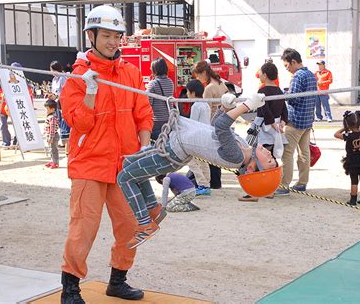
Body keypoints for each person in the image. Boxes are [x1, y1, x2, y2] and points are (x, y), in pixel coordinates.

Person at [59, 5, 153, 302]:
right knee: (84, 228)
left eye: (117, 36)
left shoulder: (130, 73)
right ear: (91, 35)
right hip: (89, 164)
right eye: (107, 35)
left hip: (125, 165)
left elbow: (143, 112)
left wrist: (146, 146)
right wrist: (88, 93)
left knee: (133, 225)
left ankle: (118, 279)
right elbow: (79, 122)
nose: (113, 41)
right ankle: (71, 288)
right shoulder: (77, 77)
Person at [117, 92, 277, 248]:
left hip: (172, 153)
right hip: (174, 148)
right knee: (129, 166)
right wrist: (225, 108)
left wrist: (247, 106)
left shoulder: (236, 156)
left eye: (269, 161)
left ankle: (145, 224)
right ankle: (153, 208)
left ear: (251, 169)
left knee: (124, 178)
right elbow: (216, 128)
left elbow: (222, 126)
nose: (270, 154)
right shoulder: (242, 146)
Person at [239, 62, 288, 202]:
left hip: (265, 128)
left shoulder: (262, 91)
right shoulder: (279, 91)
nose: (259, 75)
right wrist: (282, 122)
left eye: (260, 72)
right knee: (270, 158)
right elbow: (284, 109)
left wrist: (272, 123)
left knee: (257, 157)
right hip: (276, 128)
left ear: (265, 75)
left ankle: (256, 190)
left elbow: (263, 110)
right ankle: (270, 188)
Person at [275, 48, 317, 196]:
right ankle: (302, 182)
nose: (287, 69)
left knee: (287, 153)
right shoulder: (311, 74)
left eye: (287, 65)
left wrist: (283, 94)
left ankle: (284, 185)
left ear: (293, 62)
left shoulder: (298, 76)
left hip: (295, 121)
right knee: (304, 153)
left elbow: (295, 98)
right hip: (307, 120)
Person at [193, 60, 228, 189]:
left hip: (211, 123)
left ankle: (211, 182)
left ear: (203, 73)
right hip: (222, 121)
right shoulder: (220, 83)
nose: (197, 78)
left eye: (198, 74)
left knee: (208, 155)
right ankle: (216, 182)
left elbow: (206, 108)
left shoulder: (208, 88)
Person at [334, 111, 360, 205]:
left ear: (348, 124)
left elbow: (336, 134)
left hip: (353, 160)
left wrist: (345, 128)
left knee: (354, 181)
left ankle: (353, 200)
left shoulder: (349, 135)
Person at [186, 79, 212, 196]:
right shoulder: (205, 104)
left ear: (192, 93)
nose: (186, 94)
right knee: (203, 162)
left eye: (187, 92)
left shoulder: (196, 106)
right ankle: (207, 184)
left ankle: (202, 184)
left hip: (197, 138)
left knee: (192, 162)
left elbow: (193, 123)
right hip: (206, 137)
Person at [147, 58, 174, 140]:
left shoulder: (153, 83)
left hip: (157, 120)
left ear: (155, 69)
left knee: (157, 142)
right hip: (169, 118)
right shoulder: (170, 82)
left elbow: (148, 103)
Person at [49, 61, 70, 155]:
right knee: (58, 121)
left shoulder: (63, 78)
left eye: (52, 69)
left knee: (64, 122)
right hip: (57, 103)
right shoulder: (54, 79)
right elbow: (55, 91)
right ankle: (63, 141)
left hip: (63, 103)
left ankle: (67, 145)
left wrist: (57, 96)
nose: (51, 71)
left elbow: (65, 91)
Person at [0, 82, 13, 147]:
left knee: (18, 125)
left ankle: (17, 141)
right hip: (1, 109)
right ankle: (6, 142)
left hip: (11, 109)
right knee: (3, 125)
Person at [43, 99, 60, 169]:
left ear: (53, 109)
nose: (46, 111)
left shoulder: (52, 117)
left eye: (47, 109)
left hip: (53, 136)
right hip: (50, 135)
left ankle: (55, 162)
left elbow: (52, 128)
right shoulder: (50, 116)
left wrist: (51, 137)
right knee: (51, 149)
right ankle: (52, 161)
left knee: (54, 149)